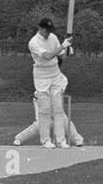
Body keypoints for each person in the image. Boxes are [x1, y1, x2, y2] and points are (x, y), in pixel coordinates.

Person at [21, 17, 76, 148]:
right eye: (46, 31)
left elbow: (60, 55)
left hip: (55, 73)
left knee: (58, 108)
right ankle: (46, 140)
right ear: (40, 29)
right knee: (44, 110)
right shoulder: (33, 42)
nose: (49, 33)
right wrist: (63, 45)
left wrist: (68, 51)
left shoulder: (53, 37)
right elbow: (48, 56)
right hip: (41, 76)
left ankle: (60, 140)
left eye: (50, 31)